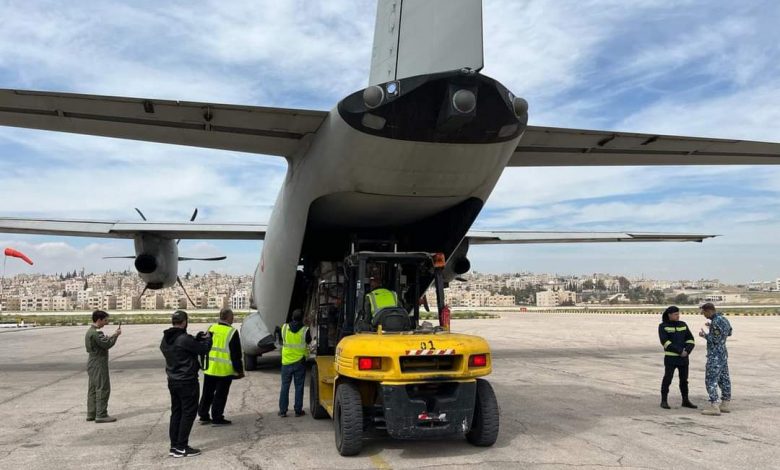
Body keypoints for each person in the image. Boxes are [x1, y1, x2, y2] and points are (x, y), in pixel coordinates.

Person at [160, 310, 212, 458]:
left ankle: (174, 446)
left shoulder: (166, 339)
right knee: (188, 414)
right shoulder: (184, 338)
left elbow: (184, 347)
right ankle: (182, 446)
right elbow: (203, 349)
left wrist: (195, 339)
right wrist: (208, 339)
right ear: (184, 322)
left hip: (173, 380)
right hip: (187, 381)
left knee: (176, 413)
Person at [198, 308, 244, 426]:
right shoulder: (232, 332)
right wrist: (239, 370)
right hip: (224, 370)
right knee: (220, 395)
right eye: (232, 316)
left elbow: (203, 346)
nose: (233, 318)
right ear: (228, 317)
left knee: (207, 393)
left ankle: (203, 415)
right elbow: (236, 354)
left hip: (210, 367)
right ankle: (217, 417)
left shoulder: (211, 328)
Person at [85, 309, 121, 423]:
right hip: (99, 363)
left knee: (93, 389)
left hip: (92, 362)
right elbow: (107, 344)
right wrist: (116, 335)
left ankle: (92, 413)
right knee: (103, 388)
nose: (106, 323)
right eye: (105, 320)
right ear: (99, 320)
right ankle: (101, 414)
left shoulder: (90, 331)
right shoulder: (96, 333)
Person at [658, 306, 696, 409]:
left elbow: (690, 339)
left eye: (678, 314)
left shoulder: (683, 325)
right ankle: (664, 401)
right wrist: (679, 351)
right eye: (675, 314)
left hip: (683, 359)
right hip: (671, 358)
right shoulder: (663, 326)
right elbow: (665, 342)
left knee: (684, 380)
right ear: (669, 315)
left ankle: (685, 400)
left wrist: (687, 351)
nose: (678, 316)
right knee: (668, 379)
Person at [699, 302, 733, 416]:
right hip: (723, 354)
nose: (703, 314)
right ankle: (725, 403)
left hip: (715, 355)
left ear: (709, 311)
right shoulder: (723, 319)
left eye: (703, 312)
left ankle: (714, 405)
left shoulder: (716, 321)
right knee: (724, 379)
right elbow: (729, 332)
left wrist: (704, 335)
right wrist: (712, 329)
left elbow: (715, 339)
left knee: (711, 380)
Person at [278, 309, 311, 417]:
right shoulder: (305, 330)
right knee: (299, 387)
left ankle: (283, 411)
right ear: (302, 318)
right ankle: (298, 410)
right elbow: (309, 341)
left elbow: (281, 341)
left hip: (286, 362)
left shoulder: (284, 328)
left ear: (292, 317)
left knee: (284, 387)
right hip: (299, 363)